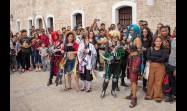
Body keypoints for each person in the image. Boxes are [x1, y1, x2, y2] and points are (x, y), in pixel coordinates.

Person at [100, 30, 125, 98]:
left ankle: (113, 90)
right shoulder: (108, 44)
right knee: (107, 79)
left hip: (117, 64)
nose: (115, 39)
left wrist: (119, 54)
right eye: (114, 37)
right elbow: (105, 54)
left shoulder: (120, 44)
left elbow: (123, 54)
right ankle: (103, 91)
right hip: (110, 64)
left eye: (116, 37)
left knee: (115, 78)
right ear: (111, 37)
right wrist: (111, 55)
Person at [145, 36, 167, 103]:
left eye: (160, 41)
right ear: (154, 42)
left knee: (158, 81)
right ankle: (149, 95)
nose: (158, 42)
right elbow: (148, 57)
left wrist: (153, 58)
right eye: (157, 41)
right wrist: (158, 58)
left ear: (161, 42)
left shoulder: (164, 50)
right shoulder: (150, 49)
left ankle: (158, 96)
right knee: (150, 80)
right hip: (151, 67)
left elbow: (163, 59)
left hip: (161, 67)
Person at [125, 24, 142, 108]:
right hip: (131, 59)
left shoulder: (137, 39)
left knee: (134, 80)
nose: (130, 31)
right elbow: (130, 50)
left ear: (136, 31)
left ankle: (134, 98)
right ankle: (132, 93)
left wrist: (137, 63)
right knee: (132, 79)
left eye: (132, 30)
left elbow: (139, 52)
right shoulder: (132, 39)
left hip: (135, 60)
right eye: (130, 30)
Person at [164, 27, 176, 102]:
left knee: (175, 81)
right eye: (175, 30)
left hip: (175, 66)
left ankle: (174, 95)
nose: (175, 32)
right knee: (171, 81)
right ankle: (171, 95)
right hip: (170, 64)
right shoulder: (173, 40)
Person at [141, 27, 153, 92]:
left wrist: (146, 49)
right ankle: (144, 86)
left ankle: (148, 85)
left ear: (148, 32)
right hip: (141, 57)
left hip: (147, 57)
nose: (144, 33)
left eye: (145, 32)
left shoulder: (150, 39)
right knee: (143, 71)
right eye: (143, 32)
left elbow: (152, 48)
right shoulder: (140, 39)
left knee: (147, 72)